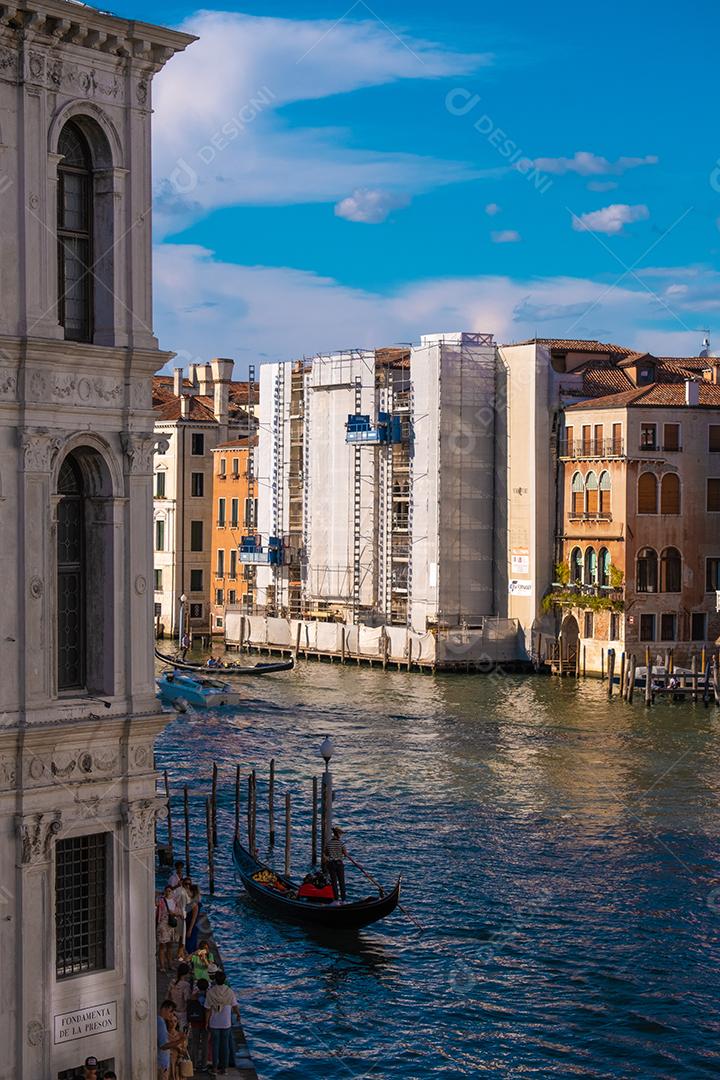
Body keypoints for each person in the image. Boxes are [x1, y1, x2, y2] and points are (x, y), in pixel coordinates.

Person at [205, 971, 241, 1076]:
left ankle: (215, 1068)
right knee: (225, 1046)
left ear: (215, 980)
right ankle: (224, 1068)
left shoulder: (210, 992)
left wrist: (206, 1022)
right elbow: (234, 1006)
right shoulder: (230, 991)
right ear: (224, 980)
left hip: (214, 1022)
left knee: (215, 1046)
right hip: (226, 1023)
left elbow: (207, 1009)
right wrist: (238, 1015)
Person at [157, 1000, 185, 1080]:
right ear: (165, 1009)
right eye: (171, 1012)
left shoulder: (160, 1021)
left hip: (164, 1063)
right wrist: (181, 1040)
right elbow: (163, 1046)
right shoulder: (160, 1022)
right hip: (162, 1064)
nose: (171, 1015)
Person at [187, 977, 210, 1073]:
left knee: (195, 1043)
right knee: (205, 1044)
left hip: (195, 1021)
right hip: (205, 1022)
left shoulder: (193, 996)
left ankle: (194, 1064)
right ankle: (204, 1065)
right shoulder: (208, 996)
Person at [156, 886, 180, 973]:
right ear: (165, 892)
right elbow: (157, 907)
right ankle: (162, 966)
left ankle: (170, 964)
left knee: (170, 945)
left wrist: (174, 913)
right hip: (163, 923)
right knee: (162, 945)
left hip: (172, 924)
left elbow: (178, 912)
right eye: (167, 891)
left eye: (170, 891)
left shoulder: (174, 901)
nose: (168, 892)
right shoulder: (161, 900)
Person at [324, 825, 348, 902]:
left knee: (334, 883)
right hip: (339, 864)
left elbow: (326, 853)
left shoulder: (329, 843)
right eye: (340, 834)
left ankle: (336, 900)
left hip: (331, 864)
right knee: (341, 882)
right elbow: (345, 853)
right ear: (338, 834)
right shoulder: (341, 844)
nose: (341, 835)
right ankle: (343, 900)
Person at [169, 961, 192, 1030]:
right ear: (187, 973)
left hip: (173, 1011)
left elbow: (168, 996)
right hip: (183, 1013)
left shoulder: (172, 982)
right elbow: (186, 999)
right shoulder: (186, 985)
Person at [185, 882, 202, 954]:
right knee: (191, 945)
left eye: (189, 891)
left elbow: (193, 918)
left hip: (192, 926)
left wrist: (190, 930)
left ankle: (193, 962)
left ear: (192, 892)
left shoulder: (194, 904)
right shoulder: (192, 902)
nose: (187, 892)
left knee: (190, 946)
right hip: (189, 925)